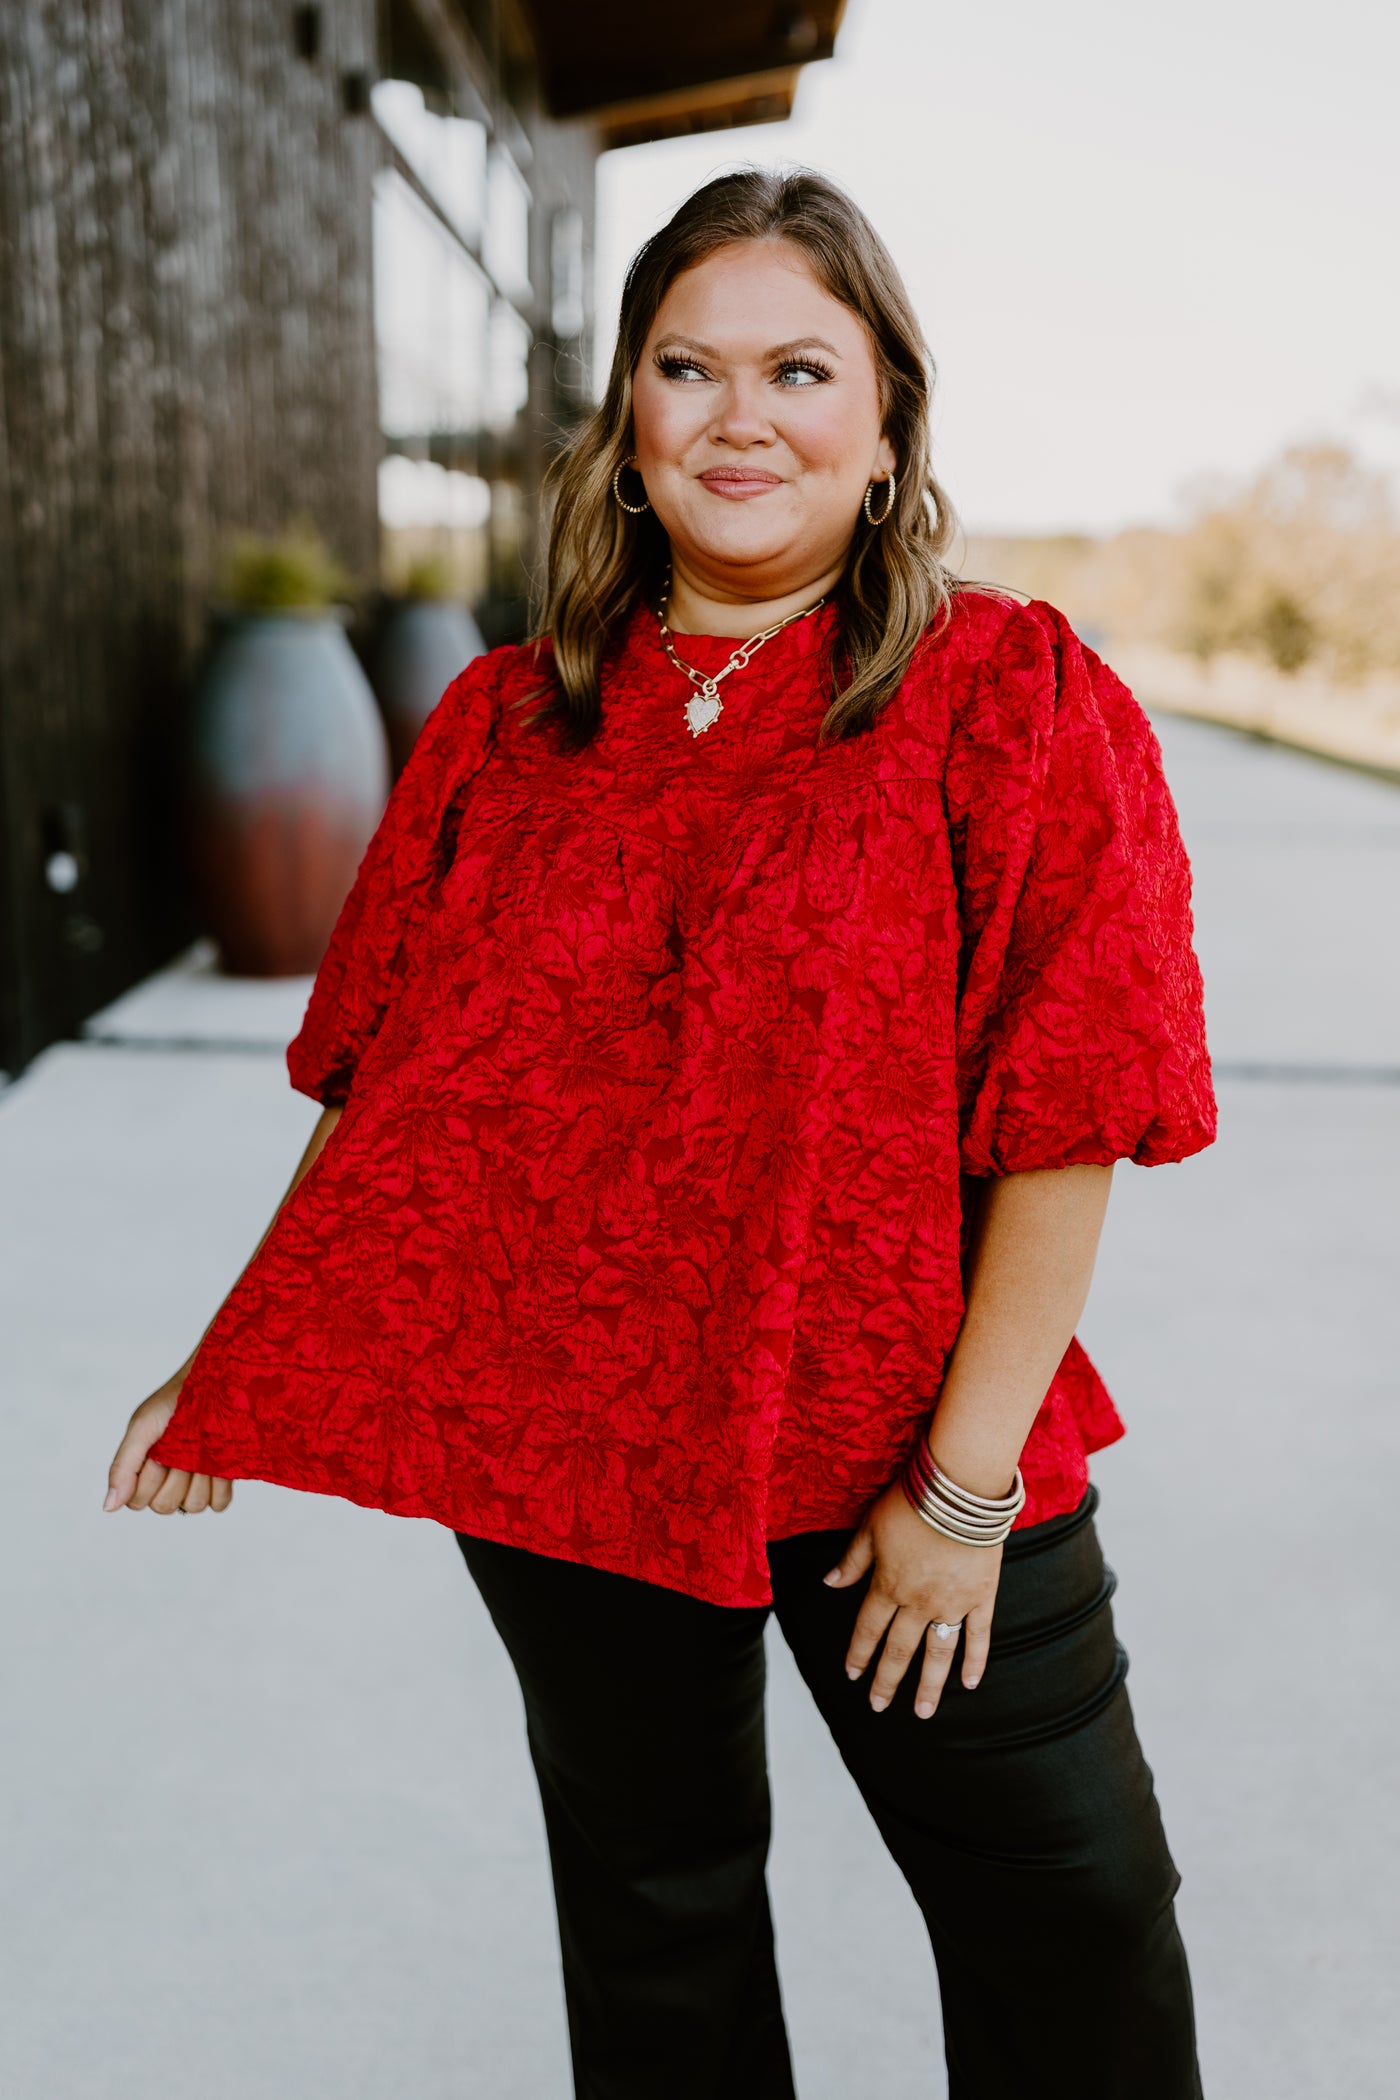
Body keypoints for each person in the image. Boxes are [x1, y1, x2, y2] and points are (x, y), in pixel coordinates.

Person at [106, 169, 1216, 2098]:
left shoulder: (1005, 699)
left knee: (1076, 1922)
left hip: (912, 1450)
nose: (739, 414)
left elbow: (1070, 1117)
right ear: (629, 427)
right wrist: (240, 1349)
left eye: (801, 367)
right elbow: (390, 1086)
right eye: (685, 368)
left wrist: (961, 1501)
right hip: (576, 1431)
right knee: (660, 1930)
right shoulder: (501, 728)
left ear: (886, 428)